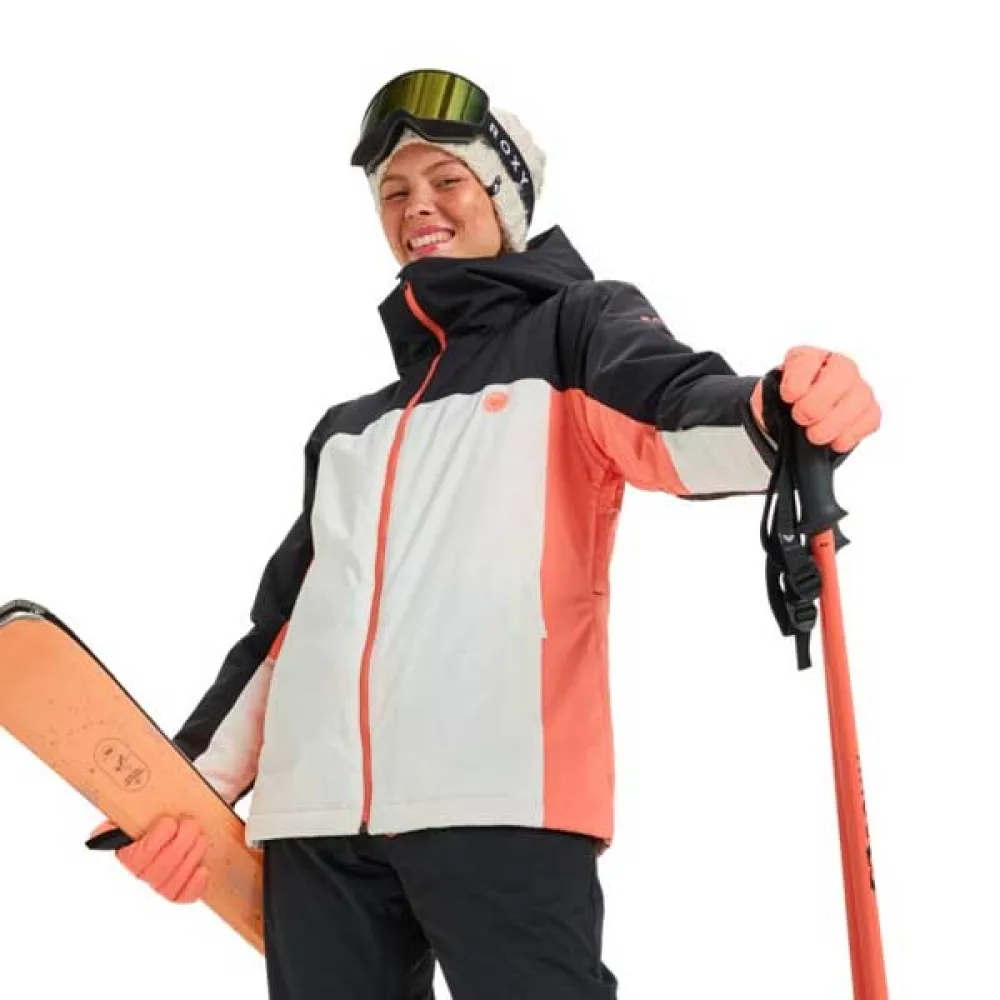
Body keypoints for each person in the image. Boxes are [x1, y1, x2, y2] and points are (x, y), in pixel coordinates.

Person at [89, 69, 881, 999]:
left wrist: (780, 413)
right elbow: (280, 636)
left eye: (446, 180)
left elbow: (675, 414)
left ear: (503, 196)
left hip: (498, 799)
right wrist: (183, 794)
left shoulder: (572, 335)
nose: (416, 207)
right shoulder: (348, 430)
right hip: (315, 828)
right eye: (393, 192)